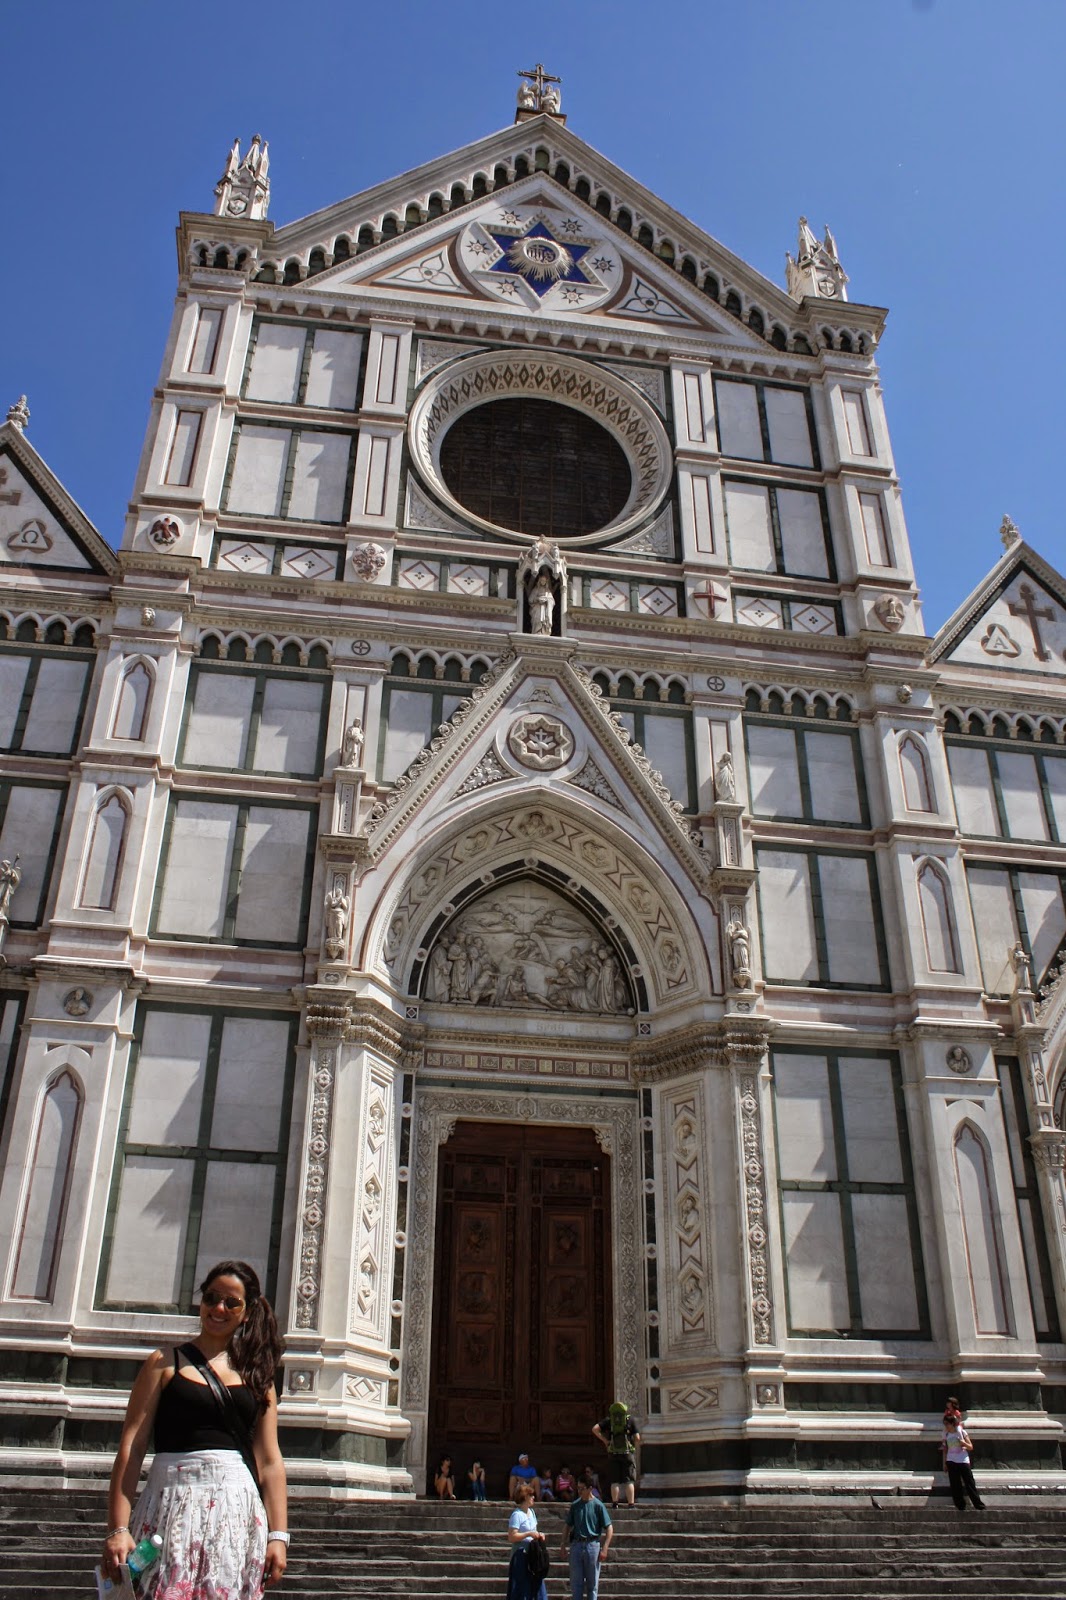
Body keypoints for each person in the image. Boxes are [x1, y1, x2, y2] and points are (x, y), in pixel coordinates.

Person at [99, 1259, 287, 1596]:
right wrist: (117, 1528)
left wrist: (278, 1536)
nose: (218, 1308)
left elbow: (270, 1461)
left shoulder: (258, 1376)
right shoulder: (163, 1363)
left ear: (247, 1312)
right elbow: (132, 1447)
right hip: (169, 1506)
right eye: (211, 1297)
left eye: (232, 1302)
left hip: (235, 1512)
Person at [559, 1477, 613, 1600]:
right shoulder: (575, 1505)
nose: (579, 1491)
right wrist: (563, 1544)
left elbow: (609, 1528)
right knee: (576, 1583)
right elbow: (567, 1526)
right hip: (577, 1545)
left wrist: (605, 1547)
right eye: (578, 1488)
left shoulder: (598, 1506)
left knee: (592, 1584)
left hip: (592, 1545)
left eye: (582, 1489)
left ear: (590, 1489)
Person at [592, 1400, 640, 1505]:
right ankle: (631, 1504)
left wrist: (605, 1441)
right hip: (627, 1453)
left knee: (615, 1481)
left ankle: (615, 1503)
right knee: (629, 1480)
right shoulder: (630, 1420)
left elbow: (595, 1429)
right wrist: (633, 1447)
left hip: (613, 1453)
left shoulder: (610, 1420)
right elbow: (637, 1438)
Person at [506, 1481, 548, 1600]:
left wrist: (539, 1535)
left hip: (533, 1553)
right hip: (521, 1553)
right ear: (525, 1497)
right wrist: (528, 1534)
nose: (533, 1497)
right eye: (531, 1495)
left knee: (536, 1584)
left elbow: (534, 1530)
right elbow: (512, 1536)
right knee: (521, 1585)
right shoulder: (517, 1515)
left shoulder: (531, 1512)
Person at [942, 1398, 985, 1510]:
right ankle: (960, 1506)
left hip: (963, 1460)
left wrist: (963, 1443)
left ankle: (978, 1505)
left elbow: (970, 1447)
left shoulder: (962, 1432)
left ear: (952, 1424)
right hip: (951, 1460)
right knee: (955, 1484)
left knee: (969, 1482)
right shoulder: (946, 1435)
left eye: (947, 1424)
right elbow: (945, 1449)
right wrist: (944, 1463)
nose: (946, 1426)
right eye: (945, 1424)